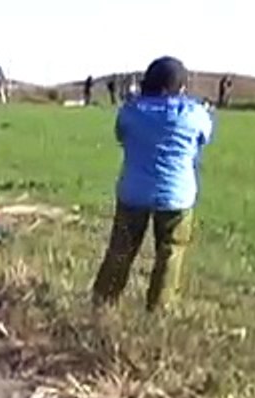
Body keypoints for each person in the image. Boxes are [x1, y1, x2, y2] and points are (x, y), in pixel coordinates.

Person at [91, 56, 214, 312]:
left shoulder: (131, 111)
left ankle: (103, 302)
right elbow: (203, 139)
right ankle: (160, 309)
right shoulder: (195, 114)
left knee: (120, 250)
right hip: (176, 195)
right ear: (180, 86)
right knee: (170, 253)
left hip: (133, 190)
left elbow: (121, 136)